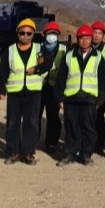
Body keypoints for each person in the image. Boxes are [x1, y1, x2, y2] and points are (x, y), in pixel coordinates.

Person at [0, 18, 51, 165]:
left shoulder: (40, 49)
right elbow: (3, 70)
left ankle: (28, 153)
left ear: (33, 34)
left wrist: (36, 69)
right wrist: (0, 89)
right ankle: (13, 152)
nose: (25, 36)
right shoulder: (11, 50)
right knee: (12, 123)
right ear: (18, 33)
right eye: (22, 33)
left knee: (31, 123)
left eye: (29, 33)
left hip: (33, 93)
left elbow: (48, 64)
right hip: (15, 92)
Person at [55, 25, 105, 166]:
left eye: (87, 38)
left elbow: (103, 81)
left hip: (90, 99)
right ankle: (69, 153)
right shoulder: (69, 56)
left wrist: (100, 99)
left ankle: (86, 154)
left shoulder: (98, 58)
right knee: (71, 126)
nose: (84, 41)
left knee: (88, 128)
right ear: (78, 39)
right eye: (82, 38)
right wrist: (59, 98)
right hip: (71, 98)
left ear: (91, 40)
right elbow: (61, 79)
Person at [38, 21, 67, 156]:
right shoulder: (37, 48)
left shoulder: (64, 49)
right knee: (35, 116)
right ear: (44, 35)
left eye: (54, 34)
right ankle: (33, 140)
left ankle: (51, 143)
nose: (52, 36)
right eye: (49, 33)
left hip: (55, 87)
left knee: (53, 117)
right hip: (38, 87)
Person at [91, 20, 105, 151]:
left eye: (100, 33)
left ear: (103, 35)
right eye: (95, 32)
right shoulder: (84, 47)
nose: (97, 35)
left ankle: (99, 142)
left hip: (101, 88)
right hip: (87, 87)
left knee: (98, 116)